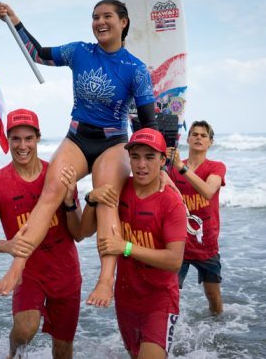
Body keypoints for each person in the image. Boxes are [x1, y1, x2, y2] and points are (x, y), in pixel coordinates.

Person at [0, 0, 161, 307]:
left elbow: (149, 125)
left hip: (112, 143)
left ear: (123, 22)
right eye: (95, 17)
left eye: (107, 16)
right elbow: (37, 54)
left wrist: (153, 167)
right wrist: (14, 20)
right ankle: (18, 264)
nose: (99, 22)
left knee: (107, 200)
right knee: (51, 191)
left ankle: (105, 280)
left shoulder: (135, 69)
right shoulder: (80, 52)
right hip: (77, 136)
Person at [0, 109, 86, 359]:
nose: (22, 145)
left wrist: (69, 201)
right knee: (25, 330)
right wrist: (8, 246)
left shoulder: (58, 174)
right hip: (29, 274)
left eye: (28, 138)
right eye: (16, 139)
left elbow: (78, 234)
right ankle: (12, 353)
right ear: (7, 141)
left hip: (66, 273)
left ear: (38, 138)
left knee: (62, 349)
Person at [97, 128, 187, 358]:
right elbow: (83, 230)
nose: (141, 164)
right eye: (135, 157)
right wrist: (90, 198)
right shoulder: (121, 189)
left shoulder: (172, 202)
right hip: (126, 298)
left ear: (162, 160)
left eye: (149, 157)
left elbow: (174, 260)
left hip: (159, 300)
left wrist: (125, 247)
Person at [167, 120, 226, 315]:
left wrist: (181, 169)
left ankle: (218, 333)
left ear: (210, 142)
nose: (199, 138)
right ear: (188, 138)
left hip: (206, 242)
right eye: (195, 134)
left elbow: (208, 191)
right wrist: (162, 162)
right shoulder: (174, 167)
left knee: (213, 296)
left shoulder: (216, 167)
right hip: (178, 244)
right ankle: (165, 334)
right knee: (169, 293)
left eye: (203, 135)